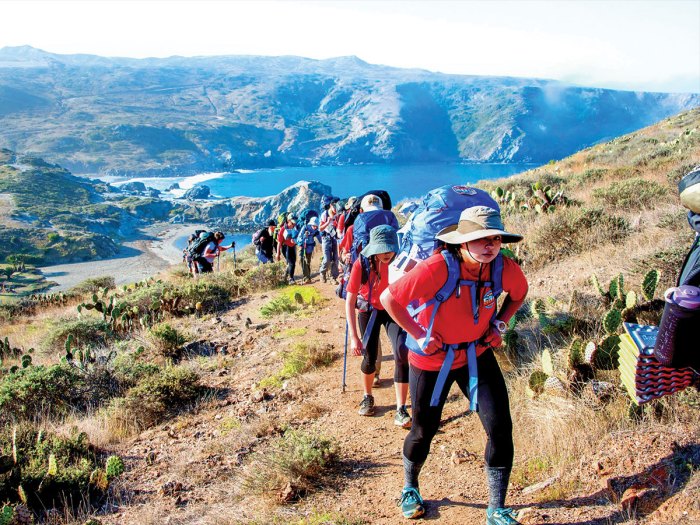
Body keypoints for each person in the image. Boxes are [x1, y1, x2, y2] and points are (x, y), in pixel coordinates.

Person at [380, 206, 528, 523]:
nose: (490, 244)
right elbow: (389, 299)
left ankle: (496, 508)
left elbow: (519, 293)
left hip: (476, 354)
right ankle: (410, 487)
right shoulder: (437, 268)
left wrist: (500, 324)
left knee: (500, 428)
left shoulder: (504, 268)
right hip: (431, 360)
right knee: (423, 430)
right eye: (481, 238)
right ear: (462, 243)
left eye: (495, 238)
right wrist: (419, 333)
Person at [345, 225, 411, 427]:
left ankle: (401, 409)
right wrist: (354, 337)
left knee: (401, 352)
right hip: (369, 310)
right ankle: (367, 396)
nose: (387, 253)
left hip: (393, 309)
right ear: (373, 248)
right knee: (370, 356)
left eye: (390, 248)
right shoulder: (361, 264)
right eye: (382, 249)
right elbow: (350, 300)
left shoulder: (400, 262)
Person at [319, 197, 340, 284]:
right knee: (327, 258)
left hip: (335, 238)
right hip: (326, 238)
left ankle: (333, 277)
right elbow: (320, 228)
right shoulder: (325, 214)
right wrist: (327, 222)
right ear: (331, 205)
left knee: (335, 258)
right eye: (335, 207)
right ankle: (322, 272)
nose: (336, 210)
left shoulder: (338, 214)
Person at [297, 216, 322, 284]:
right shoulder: (305, 227)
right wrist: (302, 240)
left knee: (308, 262)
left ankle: (308, 278)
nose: (315, 227)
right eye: (314, 226)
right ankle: (307, 277)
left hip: (310, 247)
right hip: (302, 245)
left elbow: (320, 239)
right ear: (311, 224)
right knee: (301, 259)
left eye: (316, 226)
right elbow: (299, 237)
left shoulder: (316, 231)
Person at [277, 214, 299, 284]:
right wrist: (278, 253)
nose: (294, 224)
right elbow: (279, 242)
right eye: (292, 222)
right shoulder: (283, 229)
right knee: (291, 262)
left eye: (294, 222)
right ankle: (291, 279)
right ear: (288, 221)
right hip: (285, 247)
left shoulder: (296, 227)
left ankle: (285, 276)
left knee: (293, 262)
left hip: (293, 246)